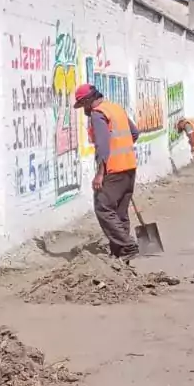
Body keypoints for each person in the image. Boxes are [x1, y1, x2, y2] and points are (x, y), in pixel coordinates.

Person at [75, 83, 140, 258]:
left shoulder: (98, 114)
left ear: (89, 100)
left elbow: (102, 145)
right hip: (129, 167)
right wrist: (123, 149)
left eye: (83, 105)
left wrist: (100, 173)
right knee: (119, 212)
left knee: (103, 208)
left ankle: (127, 245)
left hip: (113, 170)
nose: (84, 110)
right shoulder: (115, 108)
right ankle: (120, 254)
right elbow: (134, 133)